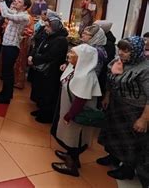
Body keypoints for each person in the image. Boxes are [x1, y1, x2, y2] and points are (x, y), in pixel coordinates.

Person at [98, 37, 148, 185]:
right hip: (116, 105)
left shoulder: (145, 69)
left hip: (134, 110)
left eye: (126, 51)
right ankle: (113, 157)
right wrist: (107, 96)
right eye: (120, 49)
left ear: (137, 52)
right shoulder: (117, 62)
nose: (121, 53)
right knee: (113, 133)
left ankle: (127, 169)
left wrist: (144, 119)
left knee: (130, 141)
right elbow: (110, 81)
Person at [51, 44, 102, 177]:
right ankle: (71, 156)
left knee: (75, 137)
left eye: (73, 54)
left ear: (83, 58)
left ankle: (71, 165)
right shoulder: (76, 68)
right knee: (69, 135)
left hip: (76, 112)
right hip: (69, 107)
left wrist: (70, 115)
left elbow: (81, 99)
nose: (69, 55)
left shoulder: (86, 76)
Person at [28, 13, 68, 123]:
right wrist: (32, 55)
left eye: (47, 26)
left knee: (48, 93)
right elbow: (38, 47)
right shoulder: (49, 36)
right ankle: (41, 110)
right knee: (41, 91)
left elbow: (50, 56)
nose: (45, 28)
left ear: (54, 28)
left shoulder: (60, 40)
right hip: (42, 69)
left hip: (51, 71)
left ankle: (46, 115)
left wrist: (35, 59)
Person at [0, 0, 31, 104]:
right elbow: (8, 11)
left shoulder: (25, 17)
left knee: (8, 72)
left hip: (12, 47)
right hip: (7, 45)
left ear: (24, 6)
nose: (16, 2)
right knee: (6, 72)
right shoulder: (16, 12)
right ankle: (5, 93)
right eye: (16, 0)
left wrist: (2, 0)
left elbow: (5, 14)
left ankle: (6, 97)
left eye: (19, 2)